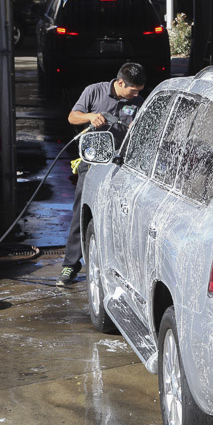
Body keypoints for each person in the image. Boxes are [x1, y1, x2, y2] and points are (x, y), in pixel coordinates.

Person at [57, 62, 146, 286]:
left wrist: (138, 126)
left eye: (139, 91)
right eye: (133, 90)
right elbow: (72, 117)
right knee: (82, 209)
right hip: (94, 160)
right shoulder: (94, 91)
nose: (136, 95)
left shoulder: (138, 101)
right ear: (120, 82)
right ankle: (70, 264)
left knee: (121, 212)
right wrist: (90, 117)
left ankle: (119, 265)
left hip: (123, 164)